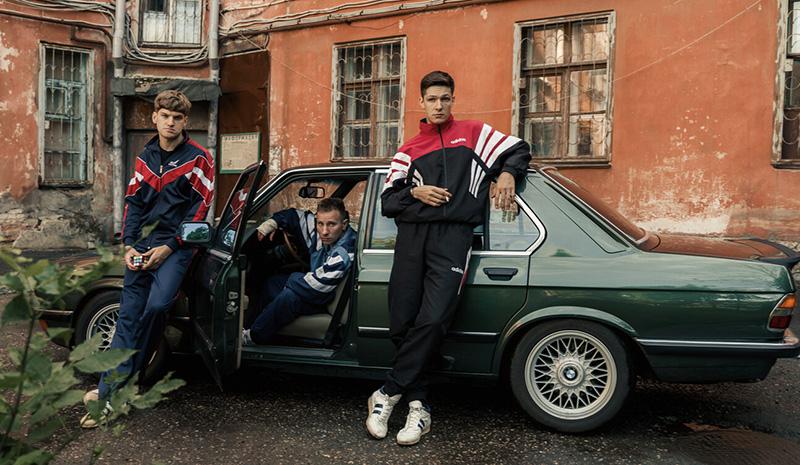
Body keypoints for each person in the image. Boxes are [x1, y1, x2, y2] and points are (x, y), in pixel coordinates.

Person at [365, 71, 531, 445]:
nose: (438, 105)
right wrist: (416, 194)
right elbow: (388, 202)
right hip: (411, 239)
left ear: (452, 100)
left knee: (434, 318)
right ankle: (418, 405)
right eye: (432, 99)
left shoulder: (474, 134)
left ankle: (388, 392)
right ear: (421, 103)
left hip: (454, 238)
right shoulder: (408, 150)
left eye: (445, 99)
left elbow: (519, 148)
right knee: (401, 322)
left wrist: (507, 173)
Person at [80, 90, 214, 428]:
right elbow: (134, 203)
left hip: (176, 248)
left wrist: (168, 248)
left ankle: (127, 379)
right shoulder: (146, 157)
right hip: (141, 246)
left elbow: (199, 210)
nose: (170, 123)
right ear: (154, 117)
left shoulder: (200, 159)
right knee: (127, 317)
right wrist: (129, 245)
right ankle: (108, 395)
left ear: (185, 121)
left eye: (177, 118)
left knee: (156, 307)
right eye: (165, 116)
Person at [242, 197, 356, 345]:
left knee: (289, 296)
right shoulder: (322, 234)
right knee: (273, 283)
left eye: (331, 224)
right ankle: (253, 325)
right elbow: (294, 216)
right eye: (320, 223)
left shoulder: (344, 252)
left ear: (344, 225)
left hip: (324, 297)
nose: (324, 231)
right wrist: (272, 223)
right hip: (317, 287)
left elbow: (317, 287)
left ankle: (253, 336)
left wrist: (291, 281)